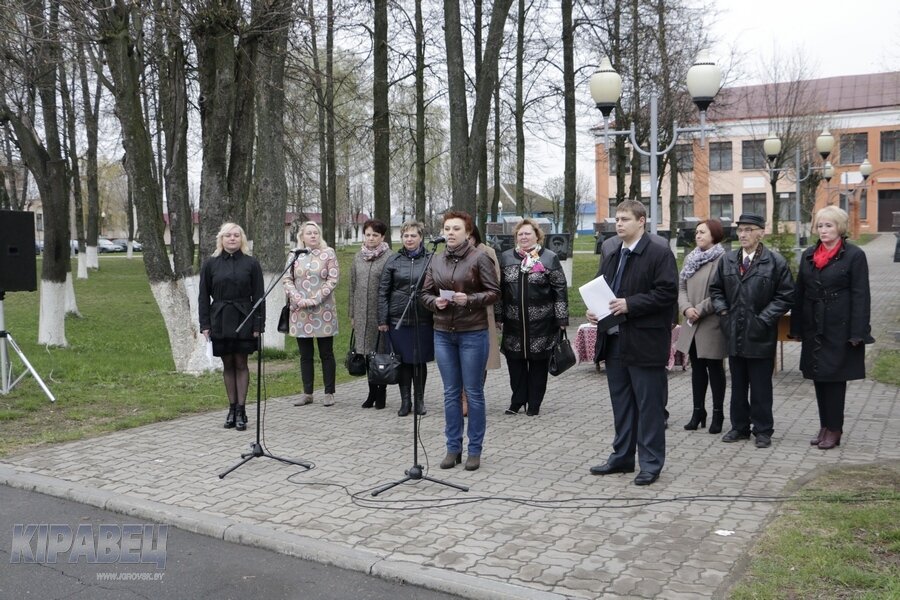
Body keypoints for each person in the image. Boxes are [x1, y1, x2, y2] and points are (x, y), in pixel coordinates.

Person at [587, 200, 677, 486]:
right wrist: (595, 310)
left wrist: (631, 304)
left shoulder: (659, 253)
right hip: (615, 341)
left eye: (625, 218)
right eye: (617, 218)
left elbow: (666, 294)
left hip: (645, 341)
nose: (619, 223)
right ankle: (623, 456)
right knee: (622, 404)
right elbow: (605, 289)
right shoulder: (613, 252)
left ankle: (651, 463)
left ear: (642, 221)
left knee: (649, 406)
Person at [420, 211, 500, 472]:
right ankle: (452, 448)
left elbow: (494, 292)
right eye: (447, 228)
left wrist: (471, 299)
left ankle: (474, 450)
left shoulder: (480, 258)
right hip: (443, 332)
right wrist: (436, 302)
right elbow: (424, 293)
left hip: (472, 333)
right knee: (450, 393)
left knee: (474, 392)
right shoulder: (436, 259)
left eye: (456, 229)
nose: (450, 233)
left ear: (468, 233)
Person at [790, 206, 874, 450]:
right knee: (818, 377)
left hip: (840, 327)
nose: (823, 230)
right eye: (820, 226)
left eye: (829, 225)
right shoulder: (809, 255)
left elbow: (861, 295)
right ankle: (824, 425)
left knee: (835, 379)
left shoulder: (854, 255)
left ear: (840, 228)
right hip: (814, 326)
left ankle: (835, 429)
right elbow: (799, 293)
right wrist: (796, 327)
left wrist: (858, 331)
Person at [710, 213, 793, 449]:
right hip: (734, 332)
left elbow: (786, 295)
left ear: (761, 232)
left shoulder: (774, 262)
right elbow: (716, 290)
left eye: (748, 230)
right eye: (740, 230)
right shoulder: (727, 260)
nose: (743, 234)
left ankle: (763, 430)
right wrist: (724, 314)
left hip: (760, 334)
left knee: (760, 386)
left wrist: (764, 318)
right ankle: (739, 427)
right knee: (737, 385)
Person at [496, 218, 569, 416]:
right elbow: (500, 291)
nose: (524, 237)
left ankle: (534, 402)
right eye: (520, 234)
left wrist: (561, 319)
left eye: (528, 233)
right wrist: (498, 316)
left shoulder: (549, 258)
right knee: (515, 363)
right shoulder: (506, 257)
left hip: (542, 323)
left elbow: (559, 289)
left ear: (537, 236)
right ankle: (517, 400)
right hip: (514, 323)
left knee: (538, 363)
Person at [198, 223, 264, 431]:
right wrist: (205, 324)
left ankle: (242, 410)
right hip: (219, 318)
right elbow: (202, 296)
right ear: (221, 239)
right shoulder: (211, 264)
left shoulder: (251, 264)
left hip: (244, 317)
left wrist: (258, 324)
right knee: (228, 365)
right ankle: (231, 408)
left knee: (241, 363)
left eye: (236, 235)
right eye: (228, 235)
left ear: (241, 239)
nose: (232, 239)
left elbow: (259, 297)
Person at [676, 219, 728, 434]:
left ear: (714, 235)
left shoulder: (723, 259)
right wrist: (686, 308)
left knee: (714, 369)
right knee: (697, 369)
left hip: (711, 322)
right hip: (691, 321)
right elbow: (680, 287)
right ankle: (698, 412)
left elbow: (723, 291)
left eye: (702, 232)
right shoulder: (691, 258)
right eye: (696, 232)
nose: (697, 235)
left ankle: (718, 413)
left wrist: (700, 309)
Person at [378, 221, 434, 416]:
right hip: (397, 320)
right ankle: (405, 401)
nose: (409, 239)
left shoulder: (430, 259)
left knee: (419, 361)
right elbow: (383, 292)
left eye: (413, 236)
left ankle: (419, 400)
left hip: (423, 318)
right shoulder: (393, 261)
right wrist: (382, 320)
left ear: (421, 238)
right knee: (402, 361)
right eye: (406, 236)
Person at [283, 221, 339, 406]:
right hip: (300, 311)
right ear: (302, 236)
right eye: (309, 233)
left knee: (326, 353)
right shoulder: (294, 254)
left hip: (323, 310)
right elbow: (287, 279)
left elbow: (333, 279)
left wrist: (315, 299)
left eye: (316, 232)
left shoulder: (328, 253)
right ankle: (307, 393)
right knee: (305, 354)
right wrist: (298, 298)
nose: (313, 236)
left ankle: (329, 392)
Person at [350, 219, 394, 410]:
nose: (371, 238)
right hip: (361, 314)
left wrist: (387, 315)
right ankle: (371, 393)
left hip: (380, 314)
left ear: (382, 237)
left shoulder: (390, 258)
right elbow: (352, 286)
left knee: (380, 354)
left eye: (375, 235)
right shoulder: (358, 257)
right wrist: (352, 313)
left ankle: (381, 393)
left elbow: (392, 288)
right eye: (368, 234)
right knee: (367, 355)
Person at [462, 225, 501, 417]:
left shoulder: (487, 252)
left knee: (480, 359)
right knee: (460, 357)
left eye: (469, 237)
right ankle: (463, 398)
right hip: (458, 312)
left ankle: (474, 396)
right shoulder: (451, 253)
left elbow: (495, 282)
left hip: (481, 310)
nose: (466, 241)